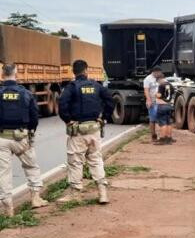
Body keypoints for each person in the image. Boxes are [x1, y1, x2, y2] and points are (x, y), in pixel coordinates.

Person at [58, 60, 114, 204]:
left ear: (73, 72)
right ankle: (103, 193)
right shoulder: (96, 86)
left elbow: (62, 104)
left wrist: (68, 120)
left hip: (78, 131)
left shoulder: (71, 87)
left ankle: (75, 194)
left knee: (76, 162)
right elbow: (110, 101)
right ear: (86, 70)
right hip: (94, 129)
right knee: (95, 160)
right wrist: (104, 118)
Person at [0, 64, 48, 217]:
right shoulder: (26, 93)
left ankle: (8, 207)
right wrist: (31, 132)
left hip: (2, 138)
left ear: (2, 76)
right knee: (31, 167)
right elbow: (34, 116)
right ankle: (35, 198)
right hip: (22, 137)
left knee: (3, 173)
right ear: (16, 74)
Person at [144, 66, 164, 142]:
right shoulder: (147, 79)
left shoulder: (160, 78)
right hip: (152, 101)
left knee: (161, 118)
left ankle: (161, 135)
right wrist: (148, 100)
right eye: (159, 73)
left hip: (160, 101)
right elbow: (146, 90)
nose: (160, 74)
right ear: (155, 72)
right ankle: (153, 135)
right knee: (153, 119)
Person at [154, 80, 175, 145]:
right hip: (169, 105)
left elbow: (159, 95)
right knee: (169, 122)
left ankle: (162, 139)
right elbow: (172, 94)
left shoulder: (161, 85)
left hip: (162, 105)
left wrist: (155, 94)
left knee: (162, 123)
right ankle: (169, 138)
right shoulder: (170, 85)